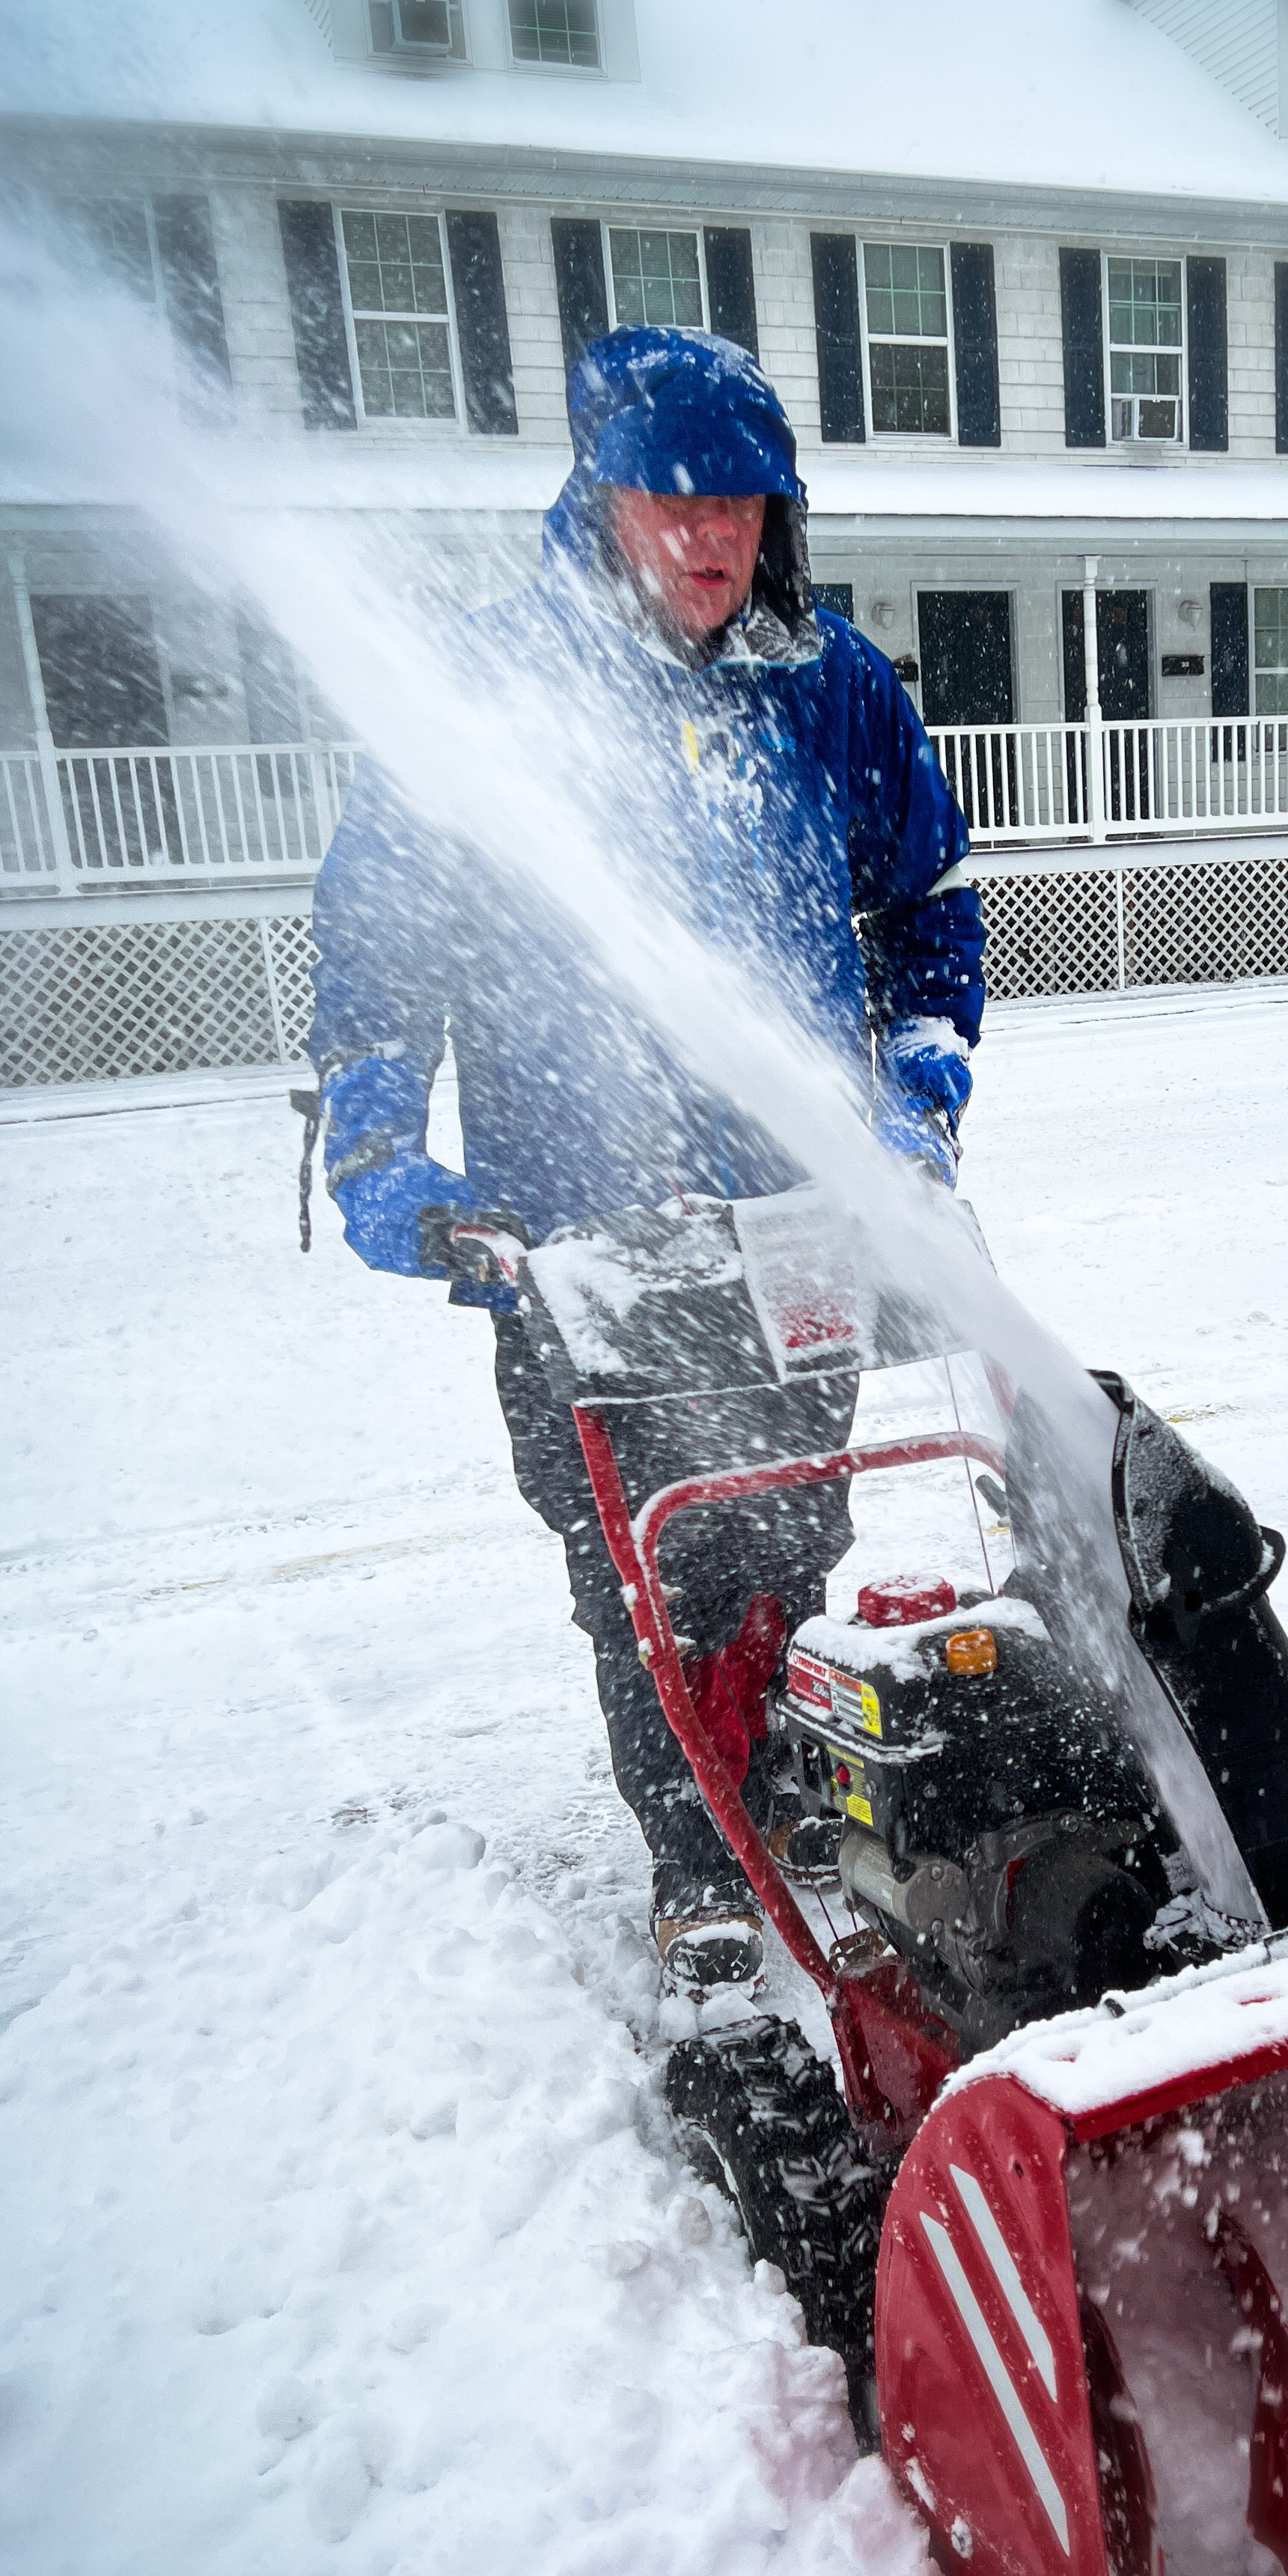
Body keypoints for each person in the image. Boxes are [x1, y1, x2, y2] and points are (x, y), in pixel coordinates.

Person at [305, 326, 985, 2009]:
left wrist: (914, 1099)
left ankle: (774, 1783)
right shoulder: (484, 697)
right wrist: (390, 1152)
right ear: (601, 500)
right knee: (640, 1564)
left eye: (741, 505)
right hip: (573, 1230)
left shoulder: (836, 690)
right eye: (669, 502)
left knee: (784, 1527)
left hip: (798, 1217)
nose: (707, 537)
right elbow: (377, 951)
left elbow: (926, 914)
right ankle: (696, 1858)